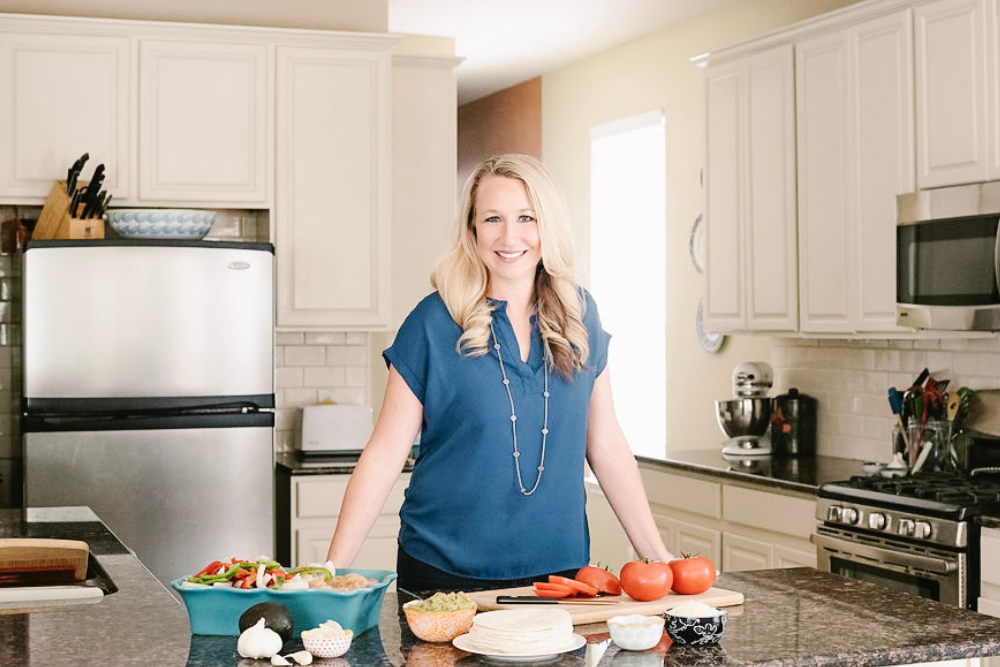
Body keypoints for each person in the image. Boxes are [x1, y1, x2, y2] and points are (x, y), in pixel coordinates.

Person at [326, 154, 674, 593]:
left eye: (526, 217)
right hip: (444, 575)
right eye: (492, 218)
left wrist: (657, 557)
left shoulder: (580, 315)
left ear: (547, 225)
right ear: (473, 229)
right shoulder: (433, 322)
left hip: (560, 576)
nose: (510, 237)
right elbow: (383, 456)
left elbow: (605, 444)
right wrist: (330, 573)